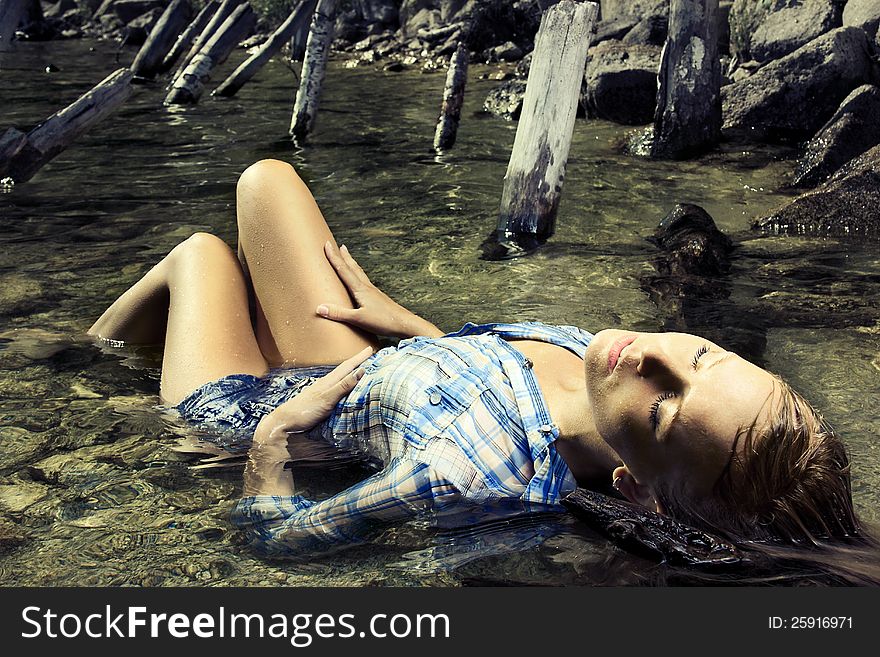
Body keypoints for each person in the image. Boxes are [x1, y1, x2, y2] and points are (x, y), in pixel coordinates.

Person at [89, 159, 879, 583]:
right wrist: (422, 332)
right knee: (266, 180)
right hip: (358, 362)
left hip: (251, 409)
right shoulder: (605, 370)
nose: (650, 353)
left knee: (201, 256)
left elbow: (277, 542)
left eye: (662, 410)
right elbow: (492, 385)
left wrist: (267, 445)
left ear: (635, 489)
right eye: (701, 353)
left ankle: (76, 362)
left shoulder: (467, 473)